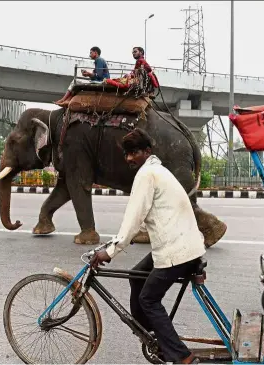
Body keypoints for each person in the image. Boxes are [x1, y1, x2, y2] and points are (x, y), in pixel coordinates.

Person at [90, 128, 205, 364]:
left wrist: (110, 251)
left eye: (134, 153)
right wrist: (116, 241)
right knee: (135, 276)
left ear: (147, 151)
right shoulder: (157, 171)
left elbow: (133, 217)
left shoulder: (147, 175)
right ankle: (154, 336)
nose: (130, 158)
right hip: (181, 244)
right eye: (127, 154)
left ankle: (182, 356)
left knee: (149, 300)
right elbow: (146, 220)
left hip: (178, 250)